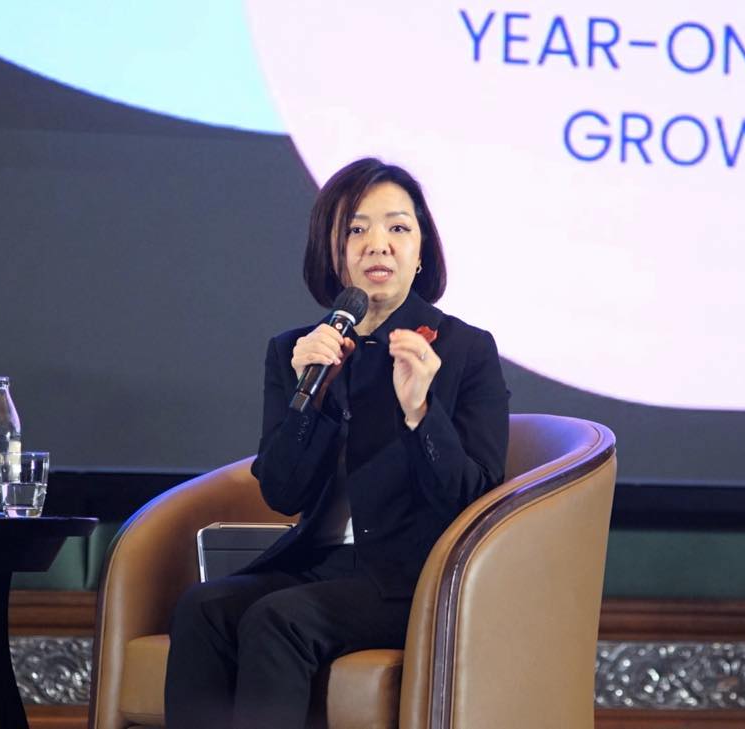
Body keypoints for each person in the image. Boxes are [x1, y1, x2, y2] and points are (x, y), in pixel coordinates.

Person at [164, 157, 509, 729]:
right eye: (356, 228)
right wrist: (313, 400)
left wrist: (421, 412)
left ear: (421, 252)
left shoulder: (463, 349)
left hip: (410, 578)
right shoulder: (297, 350)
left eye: (398, 227)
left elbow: (471, 498)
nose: (378, 244)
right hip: (319, 565)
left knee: (277, 619)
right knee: (203, 608)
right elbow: (282, 492)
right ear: (333, 251)